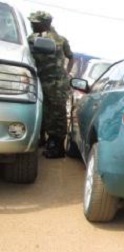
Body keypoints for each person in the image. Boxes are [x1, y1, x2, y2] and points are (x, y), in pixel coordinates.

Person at [27, 11, 74, 158]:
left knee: (56, 113)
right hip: (39, 81)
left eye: (35, 23)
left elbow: (71, 57)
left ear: (45, 24)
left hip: (55, 83)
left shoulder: (58, 40)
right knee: (43, 111)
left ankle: (57, 147)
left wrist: (65, 73)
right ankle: (42, 140)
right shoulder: (31, 38)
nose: (32, 25)